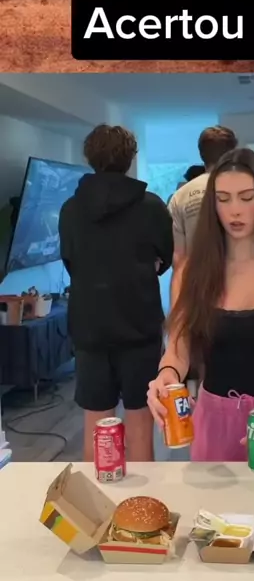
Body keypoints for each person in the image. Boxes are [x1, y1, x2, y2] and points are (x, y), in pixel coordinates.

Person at [147, 147, 254, 464]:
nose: (235, 210)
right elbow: (178, 348)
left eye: (246, 197)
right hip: (213, 423)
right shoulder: (192, 271)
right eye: (223, 199)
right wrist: (166, 375)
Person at [59, 124, 174, 462]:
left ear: (89, 157)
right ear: (130, 158)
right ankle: (143, 495)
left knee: (96, 428)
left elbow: (71, 261)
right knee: (140, 423)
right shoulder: (151, 206)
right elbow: (165, 257)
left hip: (90, 329)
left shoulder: (70, 209)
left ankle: (94, 494)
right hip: (139, 327)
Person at [168, 126, 238, 274]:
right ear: (233, 154)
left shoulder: (180, 196)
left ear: (201, 154)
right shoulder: (248, 191)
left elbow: (178, 257)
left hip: (197, 281)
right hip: (240, 279)